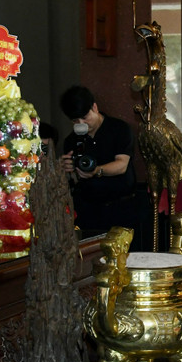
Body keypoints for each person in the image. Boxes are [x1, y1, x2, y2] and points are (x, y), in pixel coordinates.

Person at [59, 86, 150, 249]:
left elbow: (122, 165)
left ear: (94, 107)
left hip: (121, 208)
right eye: (75, 121)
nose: (82, 124)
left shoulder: (119, 129)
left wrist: (97, 171)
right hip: (88, 211)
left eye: (85, 117)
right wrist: (66, 169)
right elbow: (73, 180)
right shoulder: (72, 141)